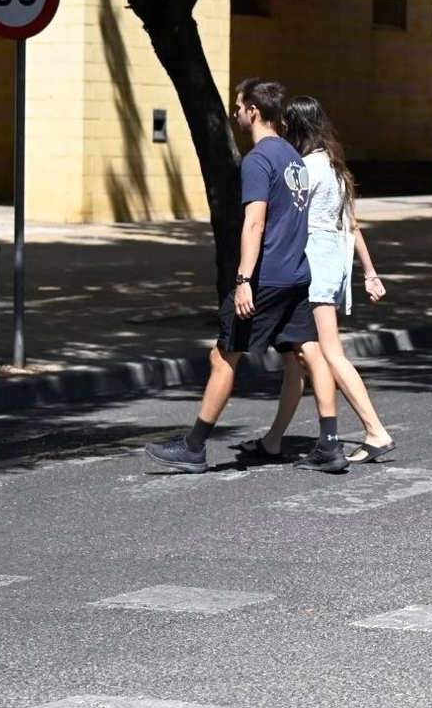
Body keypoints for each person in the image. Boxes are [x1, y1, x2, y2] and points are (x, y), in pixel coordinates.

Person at [144, 78, 350, 474]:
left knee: (223, 356)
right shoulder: (293, 157)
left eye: (238, 107)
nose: (235, 113)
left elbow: (254, 223)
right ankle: (329, 444)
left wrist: (242, 280)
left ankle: (194, 447)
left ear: (254, 111)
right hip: (297, 273)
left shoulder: (258, 160)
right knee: (310, 351)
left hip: (267, 277)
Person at [239, 96, 396, 463]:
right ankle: (275, 439)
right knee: (297, 358)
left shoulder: (306, 167)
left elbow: (285, 214)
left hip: (314, 262)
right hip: (332, 261)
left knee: (329, 353)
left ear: (294, 127)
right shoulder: (335, 166)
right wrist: (370, 272)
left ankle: (375, 430)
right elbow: (353, 224)